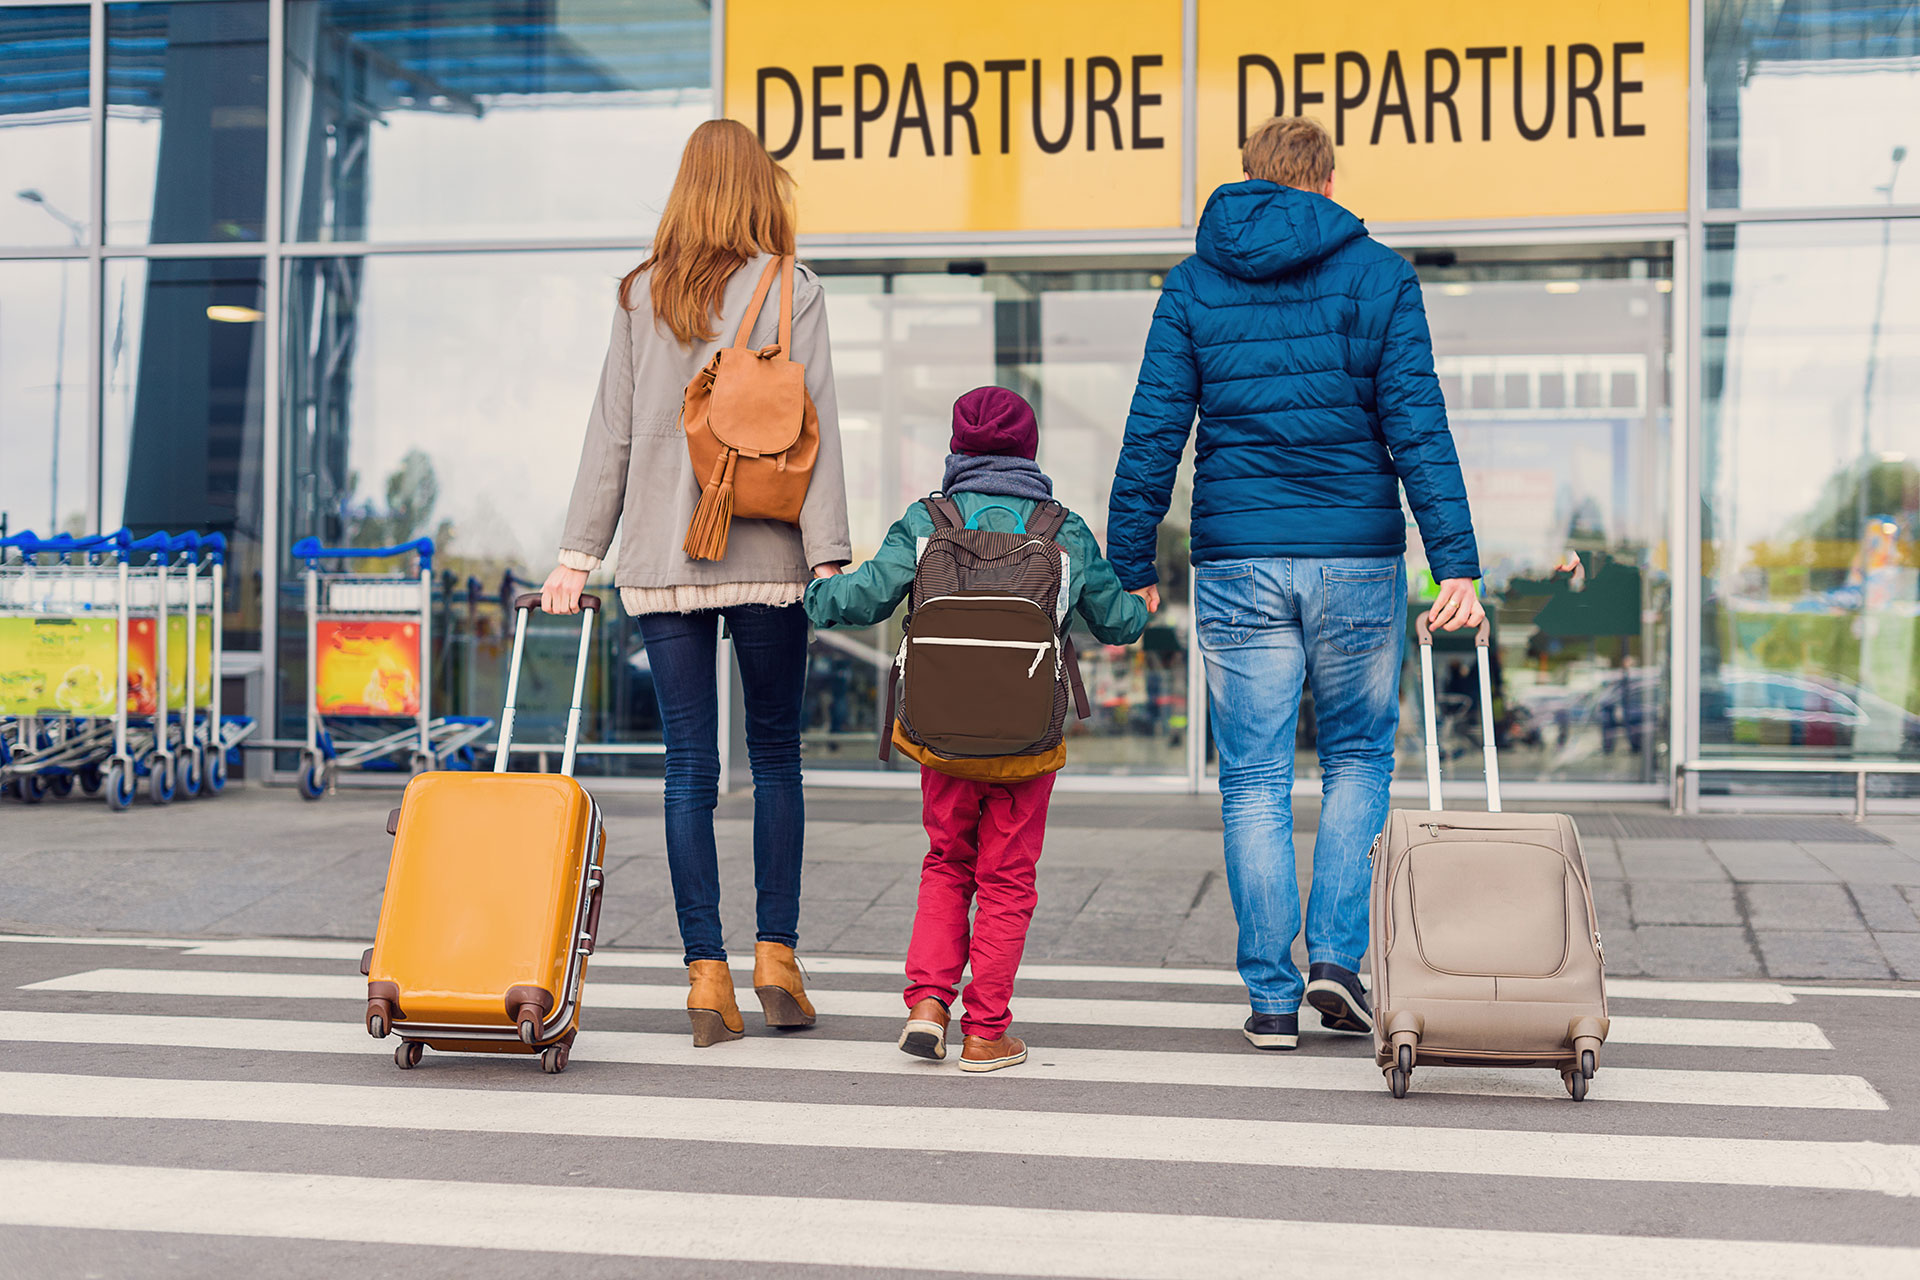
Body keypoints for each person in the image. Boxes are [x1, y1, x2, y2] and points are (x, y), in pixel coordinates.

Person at [1107, 115, 1484, 1051]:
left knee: (1253, 777)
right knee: (1358, 757)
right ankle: (1337, 966)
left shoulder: (1195, 283)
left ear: (1250, 178)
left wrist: (1129, 565)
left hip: (1237, 560)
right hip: (1357, 555)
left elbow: (1153, 431)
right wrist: (1457, 563)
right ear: (1325, 179)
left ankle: (1271, 1000)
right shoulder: (1381, 276)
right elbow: (1418, 428)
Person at [540, 119, 851, 1047]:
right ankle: (777, 956)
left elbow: (612, 432)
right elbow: (818, 425)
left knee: (689, 770)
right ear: (762, 190)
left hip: (663, 560)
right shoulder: (790, 286)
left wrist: (576, 554)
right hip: (765, 555)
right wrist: (827, 551)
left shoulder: (643, 295)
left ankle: (705, 975)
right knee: (777, 758)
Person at [805, 387, 1149, 1072]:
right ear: (1031, 450)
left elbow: (856, 599)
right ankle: (986, 1032)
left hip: (942, 737)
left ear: (957, 449)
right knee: (1008, 880)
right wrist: (1142, 604)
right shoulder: (1062, 529)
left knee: (947, 864)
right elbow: (1118, 624)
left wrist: (820, 583)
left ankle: (929, 1003)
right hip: (1028, 742)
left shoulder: (928, 519)